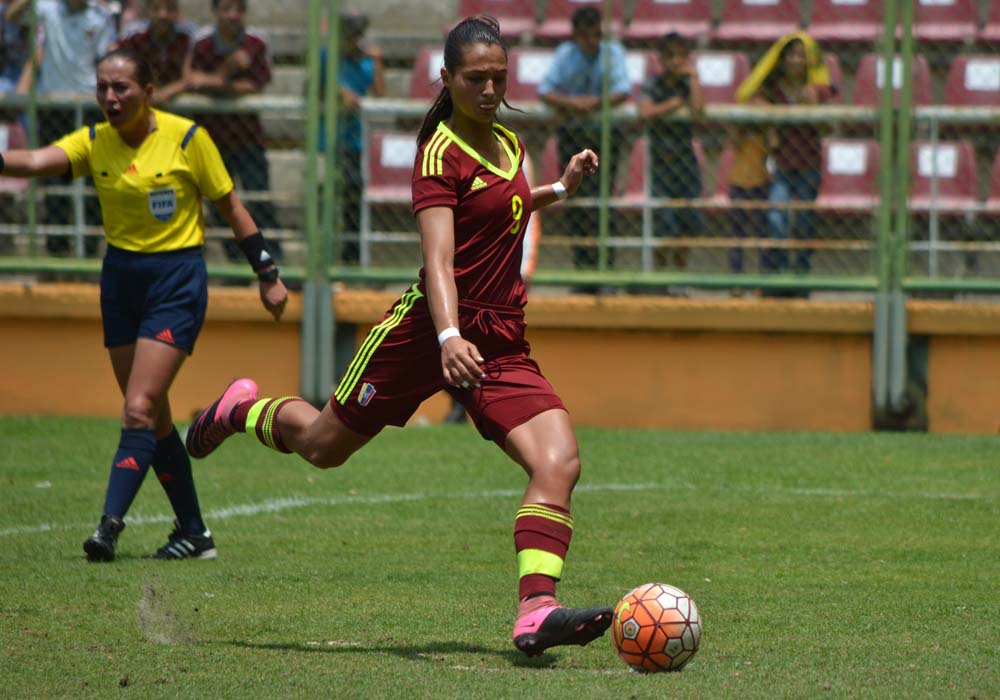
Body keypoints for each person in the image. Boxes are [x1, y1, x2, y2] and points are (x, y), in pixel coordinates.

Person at [185, 16, 613, 657]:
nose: (491, 89)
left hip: (497, 340)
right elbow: (439, 260)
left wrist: (558, 187)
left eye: (499, 77)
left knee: (559, 461)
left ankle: (535, 610)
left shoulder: (507, 142)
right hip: (424, 333)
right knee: (324, 446)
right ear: (447, 78)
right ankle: (239, 409)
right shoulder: (439, 151)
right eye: (476, 79)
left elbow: (506, 206)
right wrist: (446, 335)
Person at [0, 47, 288, 561]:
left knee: (137, 407)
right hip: (121, 283)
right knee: (152, 417)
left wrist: (266, 273)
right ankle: (195, 533)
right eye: (102, 88)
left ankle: (108, 526)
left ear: (149, 92)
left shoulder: (187, 138)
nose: (110, 98)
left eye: (122, 88)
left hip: (176, 280)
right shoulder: (94, 141)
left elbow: (231, 206)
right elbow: (39, 160)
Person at [538, 5, 630, 275]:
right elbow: (546, 91)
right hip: (573, 135)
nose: (592, 41)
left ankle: (605, 270)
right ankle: (582, 269)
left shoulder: (613, 52)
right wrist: (572, 103)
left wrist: (595, 102)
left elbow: (623, 90)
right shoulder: (565, 55)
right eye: (586, 35)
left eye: (596, 35)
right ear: (576, 34)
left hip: (605, 135)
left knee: (602, 200)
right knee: (574, 197)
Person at [188, 0, 281, 263]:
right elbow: (192, 82)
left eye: (238, 9)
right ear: (215, 11)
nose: (233, 15)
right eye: (226, 9)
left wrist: (213, 83)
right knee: (222, 206)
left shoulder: (256, 43)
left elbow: (256, 85)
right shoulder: (201, 43)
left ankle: (273, 260)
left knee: (259, 199)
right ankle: (239, 264)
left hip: (248, 138)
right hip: (212, 140)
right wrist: (229, 71)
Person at [737, 32, 834, 283]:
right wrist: (768, 114)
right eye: (791, 55)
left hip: (808, 163)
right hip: (781, 164)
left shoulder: (819, 89)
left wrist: (812, 105)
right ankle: (779, 274)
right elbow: (748, 100)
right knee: (776, 218)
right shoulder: (772, 89)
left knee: (803, 221)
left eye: (802, 55)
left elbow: (828, 125)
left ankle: (801, 273)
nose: (796, 61)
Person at [27, 0, 117, 256]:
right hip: (54, 106)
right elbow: (12, 16)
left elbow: (106, 60)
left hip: (89, 108)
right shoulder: (45, 9)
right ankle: (56, 252)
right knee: (54, 180)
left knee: (93, 182)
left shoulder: (100, 17)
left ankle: (88, 252)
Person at [318, 11, 384, 264]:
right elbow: (314, 87)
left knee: (353, 198)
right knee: (327, 198)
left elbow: (379, 94)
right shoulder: (327, 58)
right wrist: (339, 93)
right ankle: (324, 258)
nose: (353, 40)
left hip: (355, 141)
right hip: (329, 140)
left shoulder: (365, 61)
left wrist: (377, 62)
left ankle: (350, 259)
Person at [637, 31, 705, 273]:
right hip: (660, 165)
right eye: (670, 56)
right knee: (664, 223)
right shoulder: (653, 83)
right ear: (661, 59)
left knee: (687, 223)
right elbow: (644, 111)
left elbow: (698, 111)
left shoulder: (688, 83)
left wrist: (694, 77)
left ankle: (680, 276)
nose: (675, 61)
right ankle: (660, 276)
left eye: (680, 56)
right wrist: (673, 105)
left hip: (686, 164)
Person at [113, 0, 195, 105]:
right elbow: (117, 65)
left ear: (177, 10)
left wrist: (166, 92)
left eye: (170, 9)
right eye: (156, 9)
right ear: (148, 11)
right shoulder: (134, 36)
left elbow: (191, 76)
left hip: (178, 102)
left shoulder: (188, 37)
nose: (163, 15)